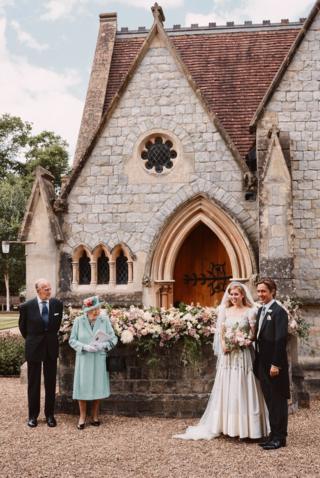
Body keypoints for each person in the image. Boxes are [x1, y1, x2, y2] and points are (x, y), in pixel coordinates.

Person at [174, 281, 269, 440]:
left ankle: (249, 428)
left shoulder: (250, 312)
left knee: (244, 385)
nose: (233, 297)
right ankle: (227, 426)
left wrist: (244, 341)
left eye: (236, 294)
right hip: (228, 356)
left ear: (242, 295)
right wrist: (225, 345)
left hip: (242, 355)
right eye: (231, 294)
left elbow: (254, 334)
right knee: (228, 385)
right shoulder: (225, 311)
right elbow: (221, 332)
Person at [18, 278, 63, 428]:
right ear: (38, 290)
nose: (49, 291)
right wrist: (34, 340)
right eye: (46, 289)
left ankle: (50, 415)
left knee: (51, 383)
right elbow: (23, 328)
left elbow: (56, 326)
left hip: (51, 347)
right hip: (34, 348)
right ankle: (32, 416)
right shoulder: (26, 306)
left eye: (50, 288)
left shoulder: (57, 304)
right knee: (33, 383)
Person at [69, 295, 118, 429]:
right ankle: (82, 416)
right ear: (86, 310)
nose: (96, 311)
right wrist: (84, 347)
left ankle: (95, 415)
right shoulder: (79, 321)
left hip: (98, 357)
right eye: (93, 309)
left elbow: (113, 339)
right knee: (82, 387)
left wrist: (104, 346)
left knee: (98, 386)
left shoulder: (104, 320)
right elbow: (72, 340)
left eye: (98, 308)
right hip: (84, 358)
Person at [254, 278, 290, 450]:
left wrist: (276, 364)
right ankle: (272, 434)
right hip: (262, 363)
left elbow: (280, 340)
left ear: (273, 291)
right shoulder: (261, 310)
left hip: (274, 366)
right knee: (270, 401)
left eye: (263, 291)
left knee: (278, 401)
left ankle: (280, 438)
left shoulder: (279, 311)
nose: (260, 294)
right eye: (259, 291)